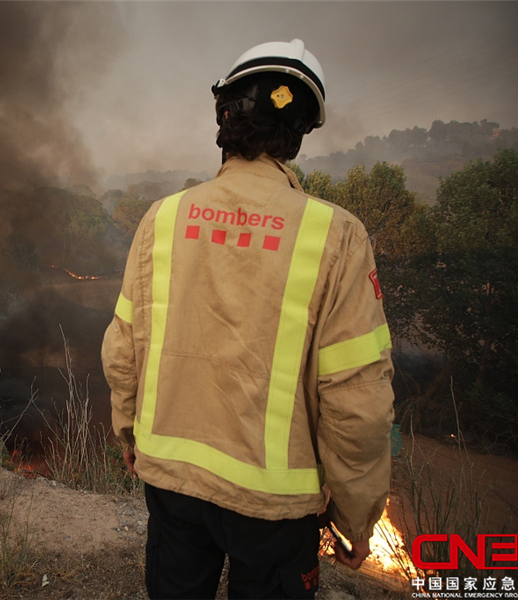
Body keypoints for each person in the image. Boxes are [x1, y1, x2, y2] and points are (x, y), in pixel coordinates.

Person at [101, 39, 394, 599]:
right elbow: (358, 401)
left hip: (171, 483)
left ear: (223, 116)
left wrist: (130, 434)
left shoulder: (161, 220)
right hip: (275, 507)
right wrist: (358, 515)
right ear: (301, 132)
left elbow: (122, 350)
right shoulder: (336, 236)